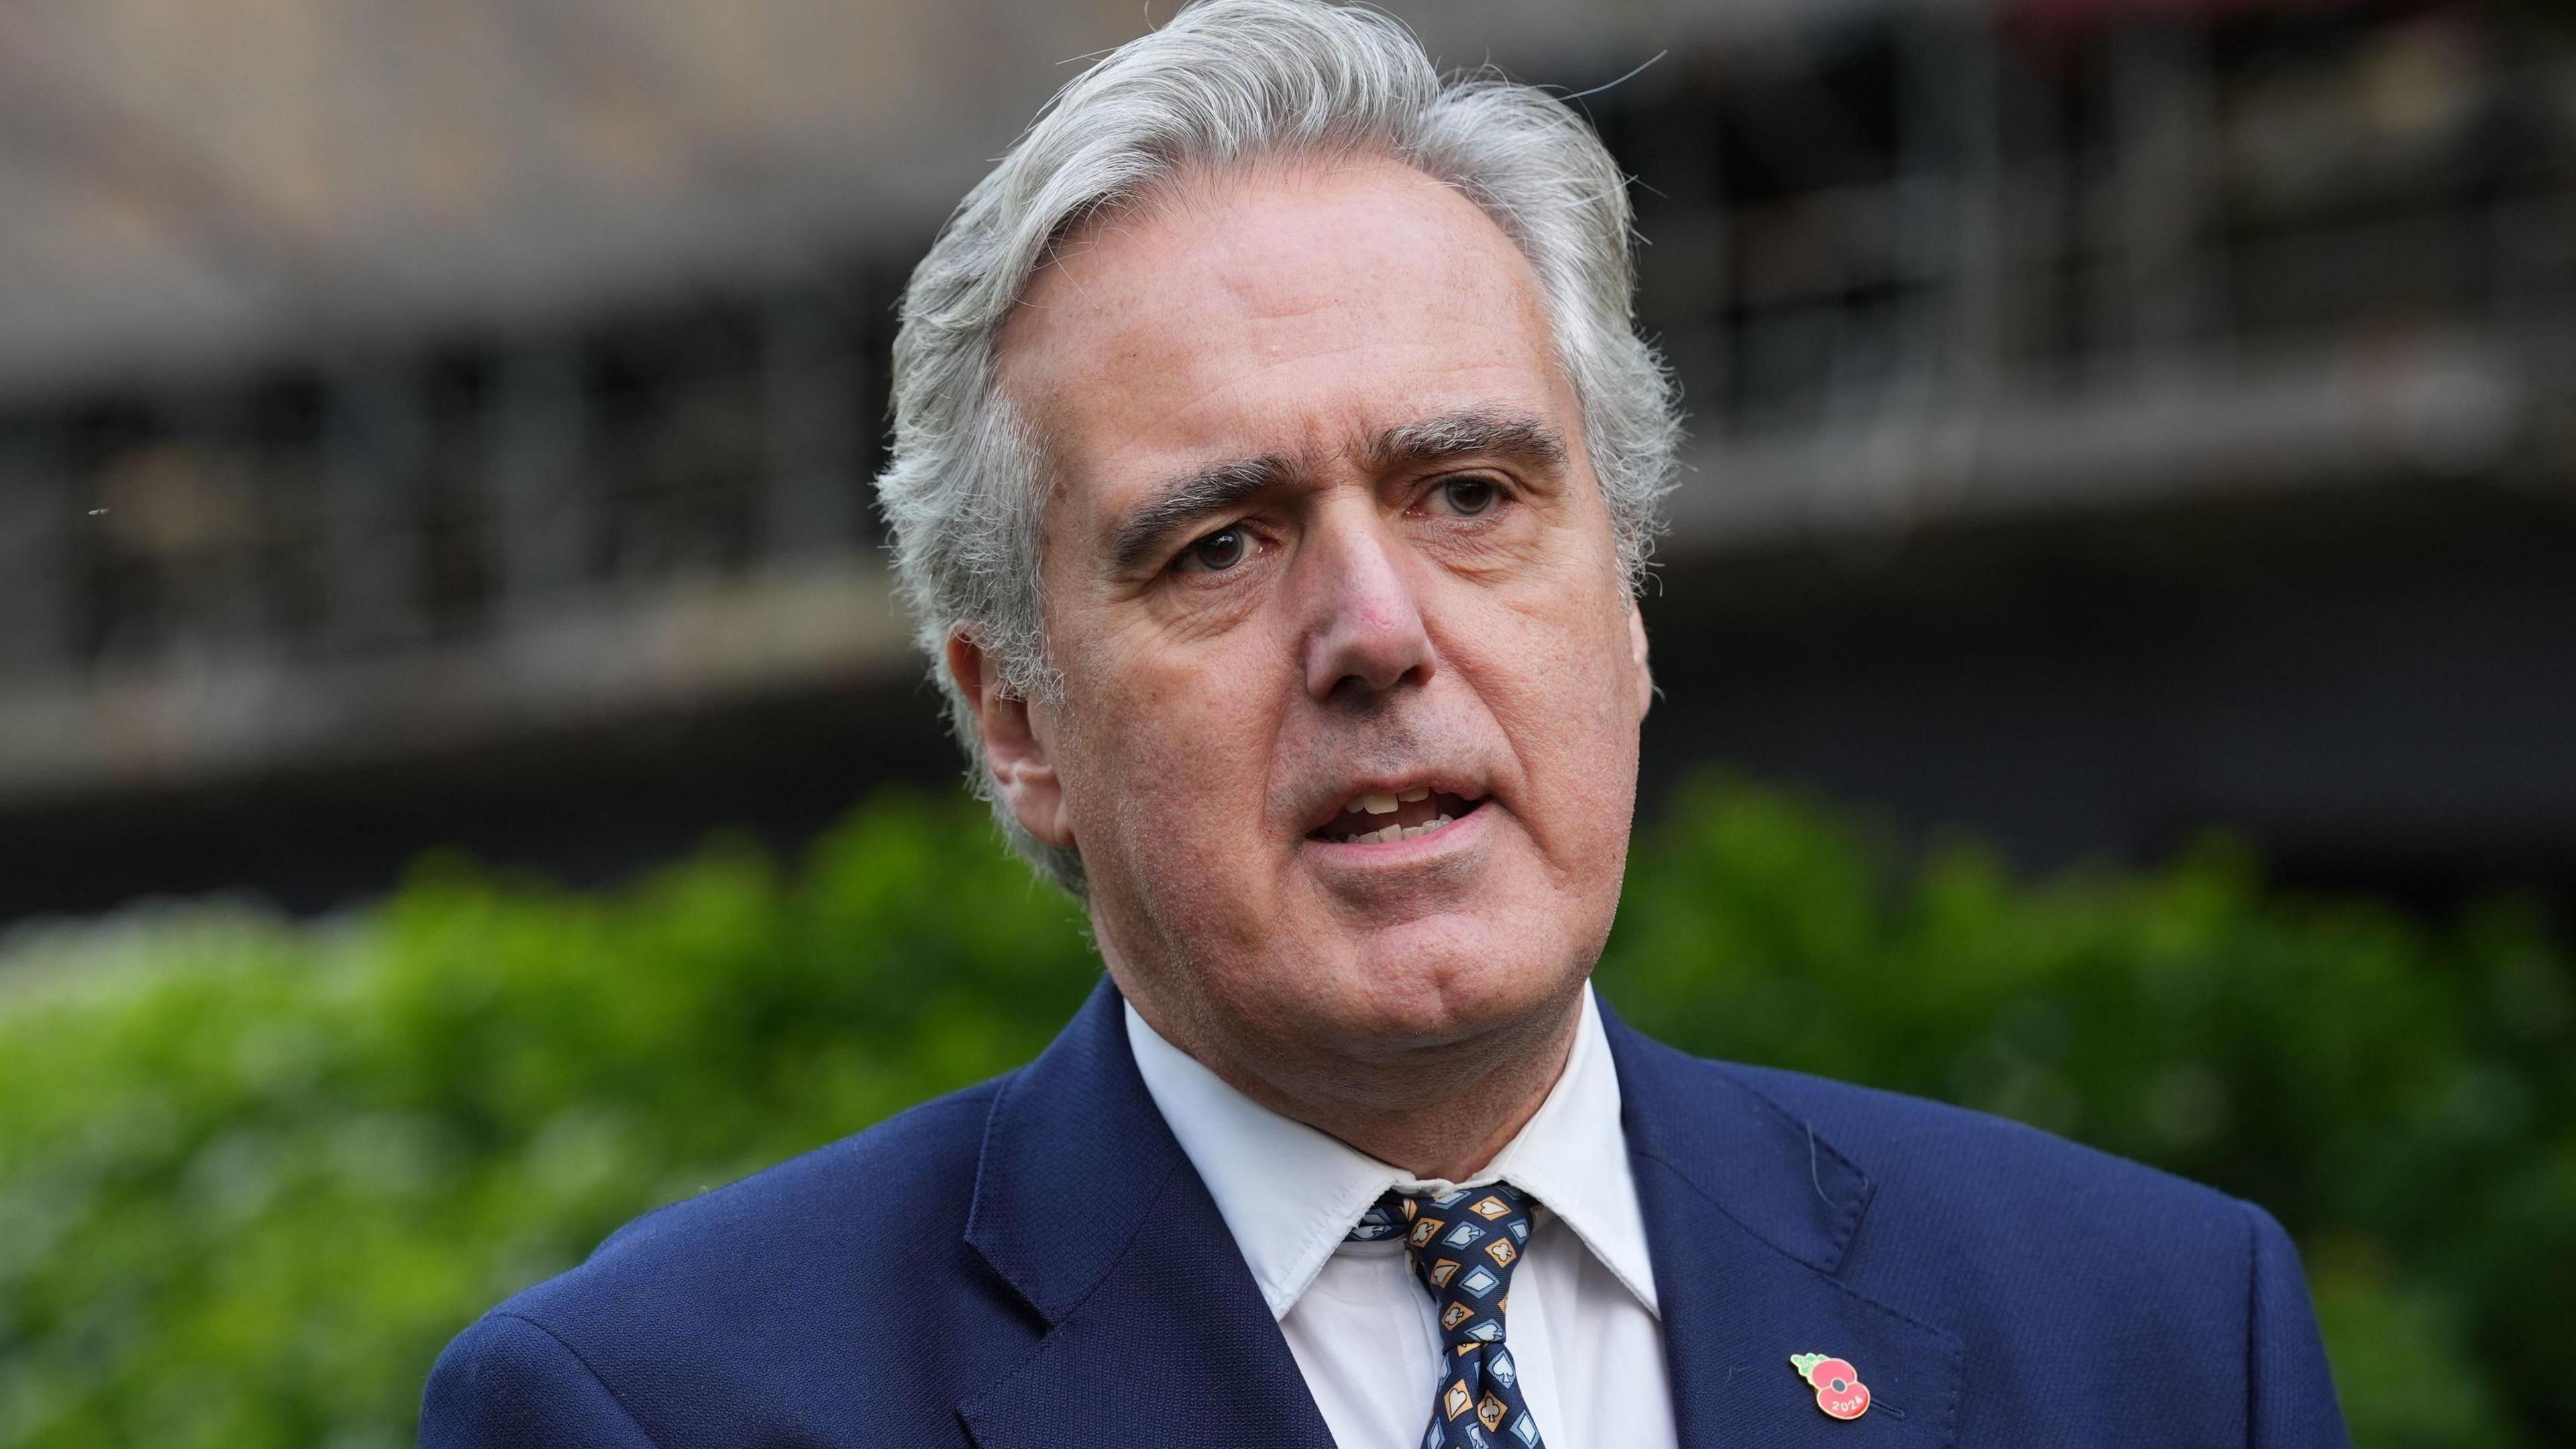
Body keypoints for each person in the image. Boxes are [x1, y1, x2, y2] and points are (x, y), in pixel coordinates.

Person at [421, 3, 2350, 1444]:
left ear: (1630, 599)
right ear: (1017, 723)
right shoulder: (656, 1414)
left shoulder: (2160, 1337)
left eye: (1471, 498)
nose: (1376, 631)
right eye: (1220, 544)